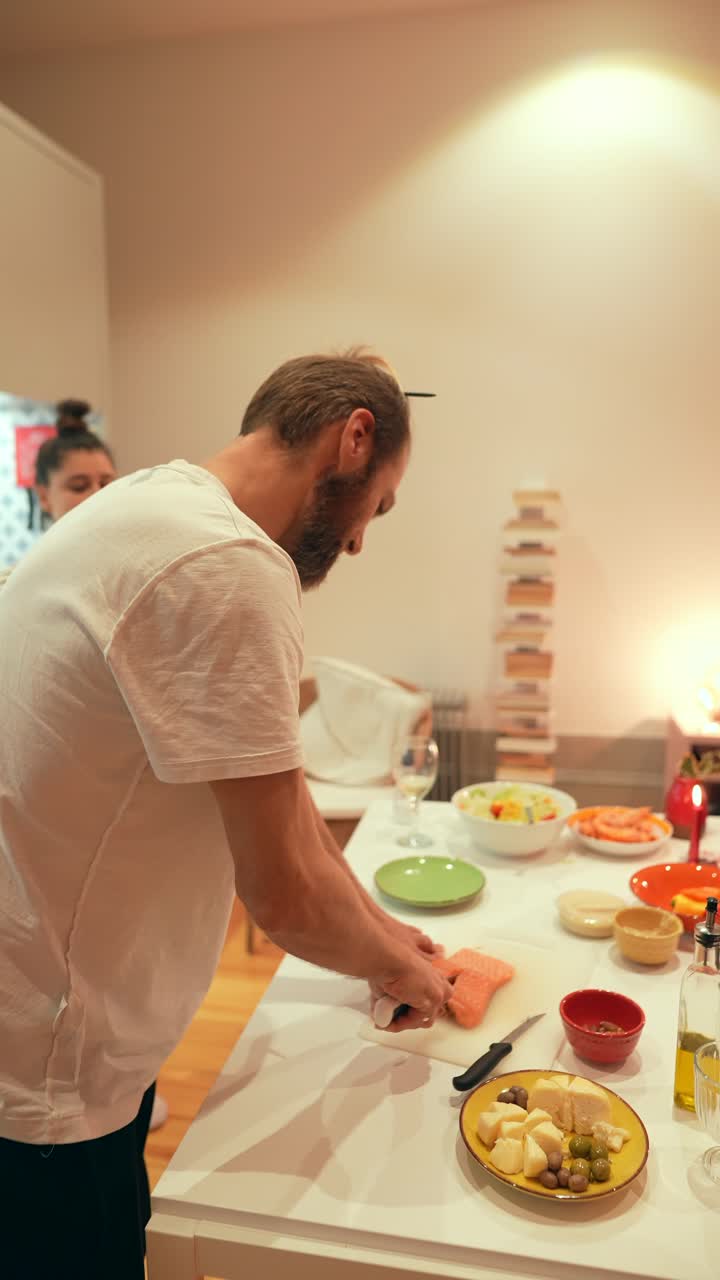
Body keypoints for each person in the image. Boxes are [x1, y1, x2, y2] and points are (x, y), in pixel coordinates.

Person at [0, 351, 451, 1279]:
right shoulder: (228, 565)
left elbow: (285, 810)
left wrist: (388, 936)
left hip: (46, 1008)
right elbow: (282, 894)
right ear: (353, 436)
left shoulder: (156, 505)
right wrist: (416, 980)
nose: (363, 539)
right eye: (382, 505)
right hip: (45, 1061)